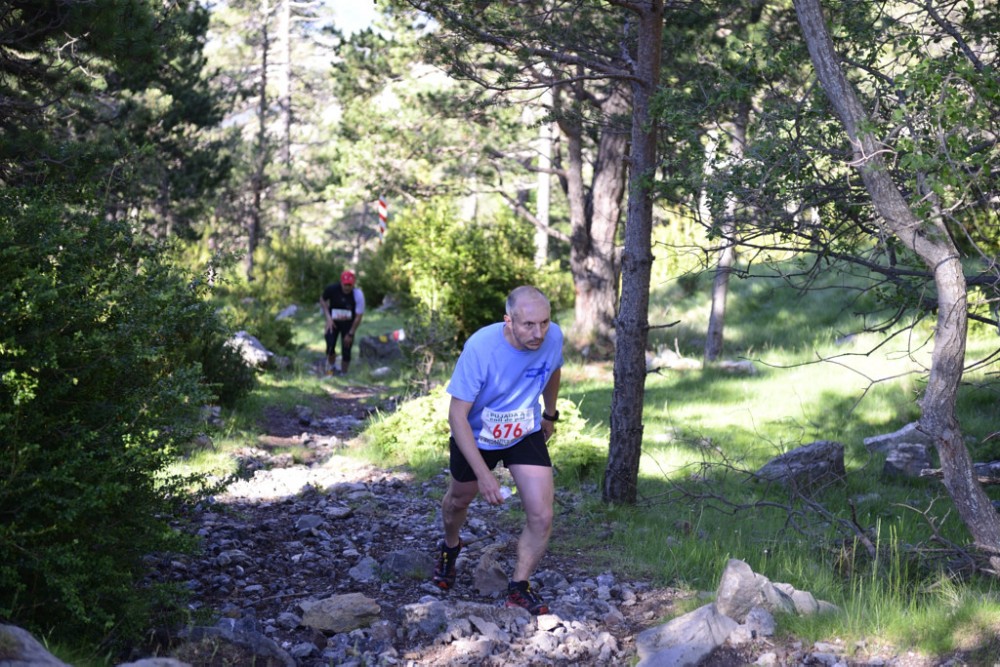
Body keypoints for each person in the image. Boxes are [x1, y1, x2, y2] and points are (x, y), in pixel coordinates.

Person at [432, 285, 563, 615]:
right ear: (509, 321)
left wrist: (550, 413)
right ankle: (450, 547)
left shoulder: (553, 337)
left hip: (523, 430)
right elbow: (456, 416)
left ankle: (519, 586)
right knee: (458, 500)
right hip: (476, 435)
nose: (539, 333)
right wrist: (484, 475)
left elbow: (553, 369)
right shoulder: (480, 348)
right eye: (528, 325)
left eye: (544, 323)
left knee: (542, 514)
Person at [320, 270, 365, 375]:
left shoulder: (358, 295)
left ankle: (344, 373)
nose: (347, 287)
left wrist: (351, 333)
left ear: (353, 284)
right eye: (345, 285)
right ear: (341, 283)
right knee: (330, 345)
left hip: (348, 324)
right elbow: (322, 299)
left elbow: (359, 317)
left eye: (350, 285)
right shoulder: (332, 289)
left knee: (346, 348)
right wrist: (328, 318)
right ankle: (331, 368)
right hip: (333, 322)